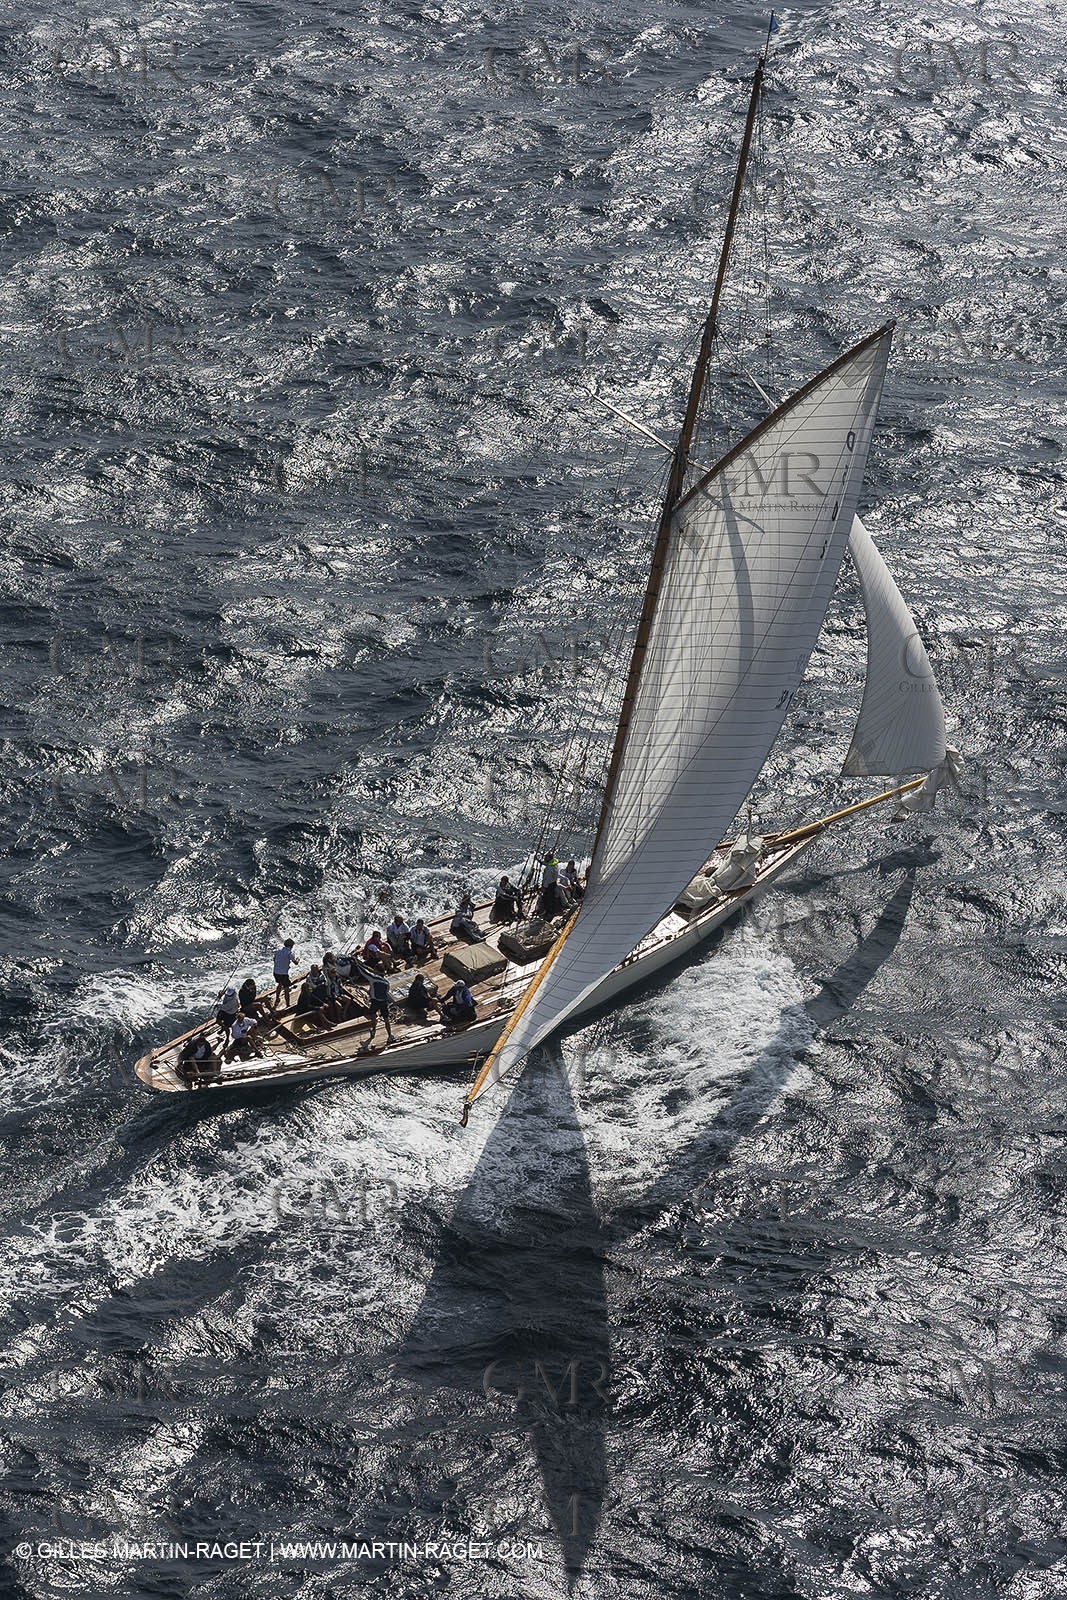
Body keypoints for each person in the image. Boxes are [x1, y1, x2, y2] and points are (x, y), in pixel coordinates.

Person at [352, 959, 394, 1045]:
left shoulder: (374, 978)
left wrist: (357, 965)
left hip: (375, 1002)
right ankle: (390, 1035)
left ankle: (373, 1030)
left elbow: (365, 973)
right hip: (383, 1002)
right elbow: (385, 991)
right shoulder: (386, 982)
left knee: (373, 1016)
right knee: (386, 1019)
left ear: (377, 971)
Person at [292, 966, 331, 1032]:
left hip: (307, 1009)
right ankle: (325, 1023)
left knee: (323, 1007)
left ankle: (326, 1023)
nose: (310, 989)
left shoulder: (309, 993)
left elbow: (315, 999)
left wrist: (322, 1003)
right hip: (302, 1012)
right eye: (309, 988)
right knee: (319, 1011)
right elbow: (307, 1006)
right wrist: (318, 1008)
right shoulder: (303, 996)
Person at [273, 939, 297, 1006]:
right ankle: (288, 1004)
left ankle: (277, 998)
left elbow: (274, 959)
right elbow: (295, 963)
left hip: (276, 972)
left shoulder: (278, 951)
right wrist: (297, 960)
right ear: (291, 946)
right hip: (283, 973)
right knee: (286, 988)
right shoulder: (290, 953)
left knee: (280, 984)